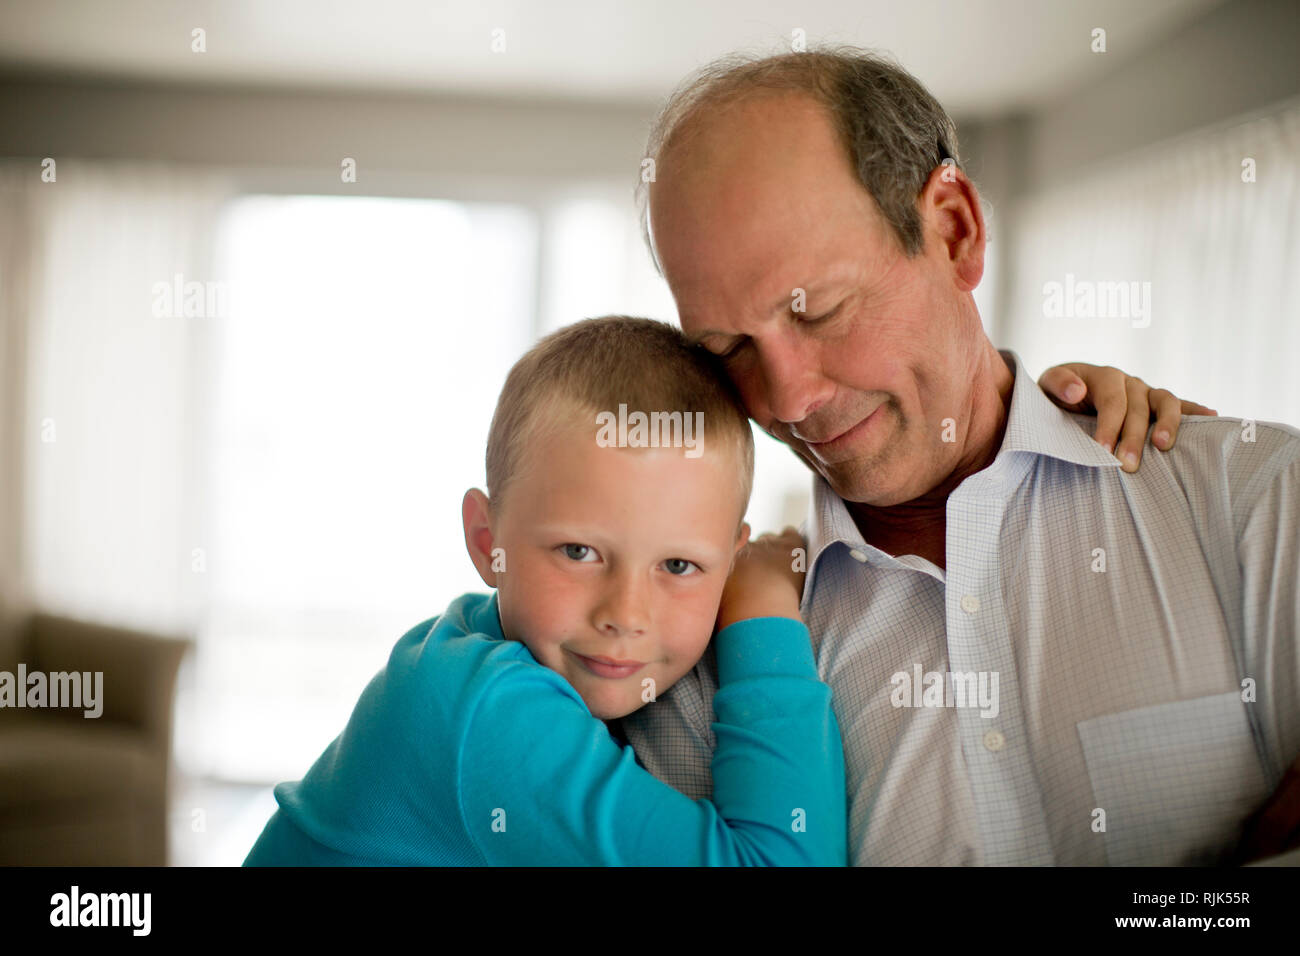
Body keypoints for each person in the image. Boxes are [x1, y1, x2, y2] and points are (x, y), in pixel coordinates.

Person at [621, 46, 1300, 865]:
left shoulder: (1253, 501)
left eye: (820, 311)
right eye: (727, 347)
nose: (785, 400)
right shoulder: (700, 656)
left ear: (954, 232)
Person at [244, 316, 847, 865]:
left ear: (727, 559)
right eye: (579, 552)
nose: (625, 614)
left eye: (680, 566)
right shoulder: (485, 711)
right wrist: (762, 605)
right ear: (487, 542)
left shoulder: (480, 652)